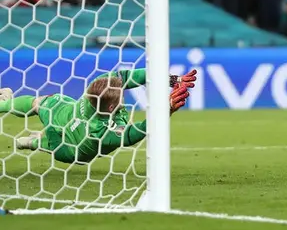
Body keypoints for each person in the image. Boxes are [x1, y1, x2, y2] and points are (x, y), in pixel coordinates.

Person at [0, 69, 196, 164]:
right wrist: (166, 109)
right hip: (71, 150)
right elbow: (136, 132)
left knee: (40, 102)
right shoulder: (102, 131)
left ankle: (6, 104)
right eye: (120, 95)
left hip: (68, 115)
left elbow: (129, 76)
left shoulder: (96, 87)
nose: (123, 92)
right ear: (111, 106)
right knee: (51, 139)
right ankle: (34, 142)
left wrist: (173, 79)